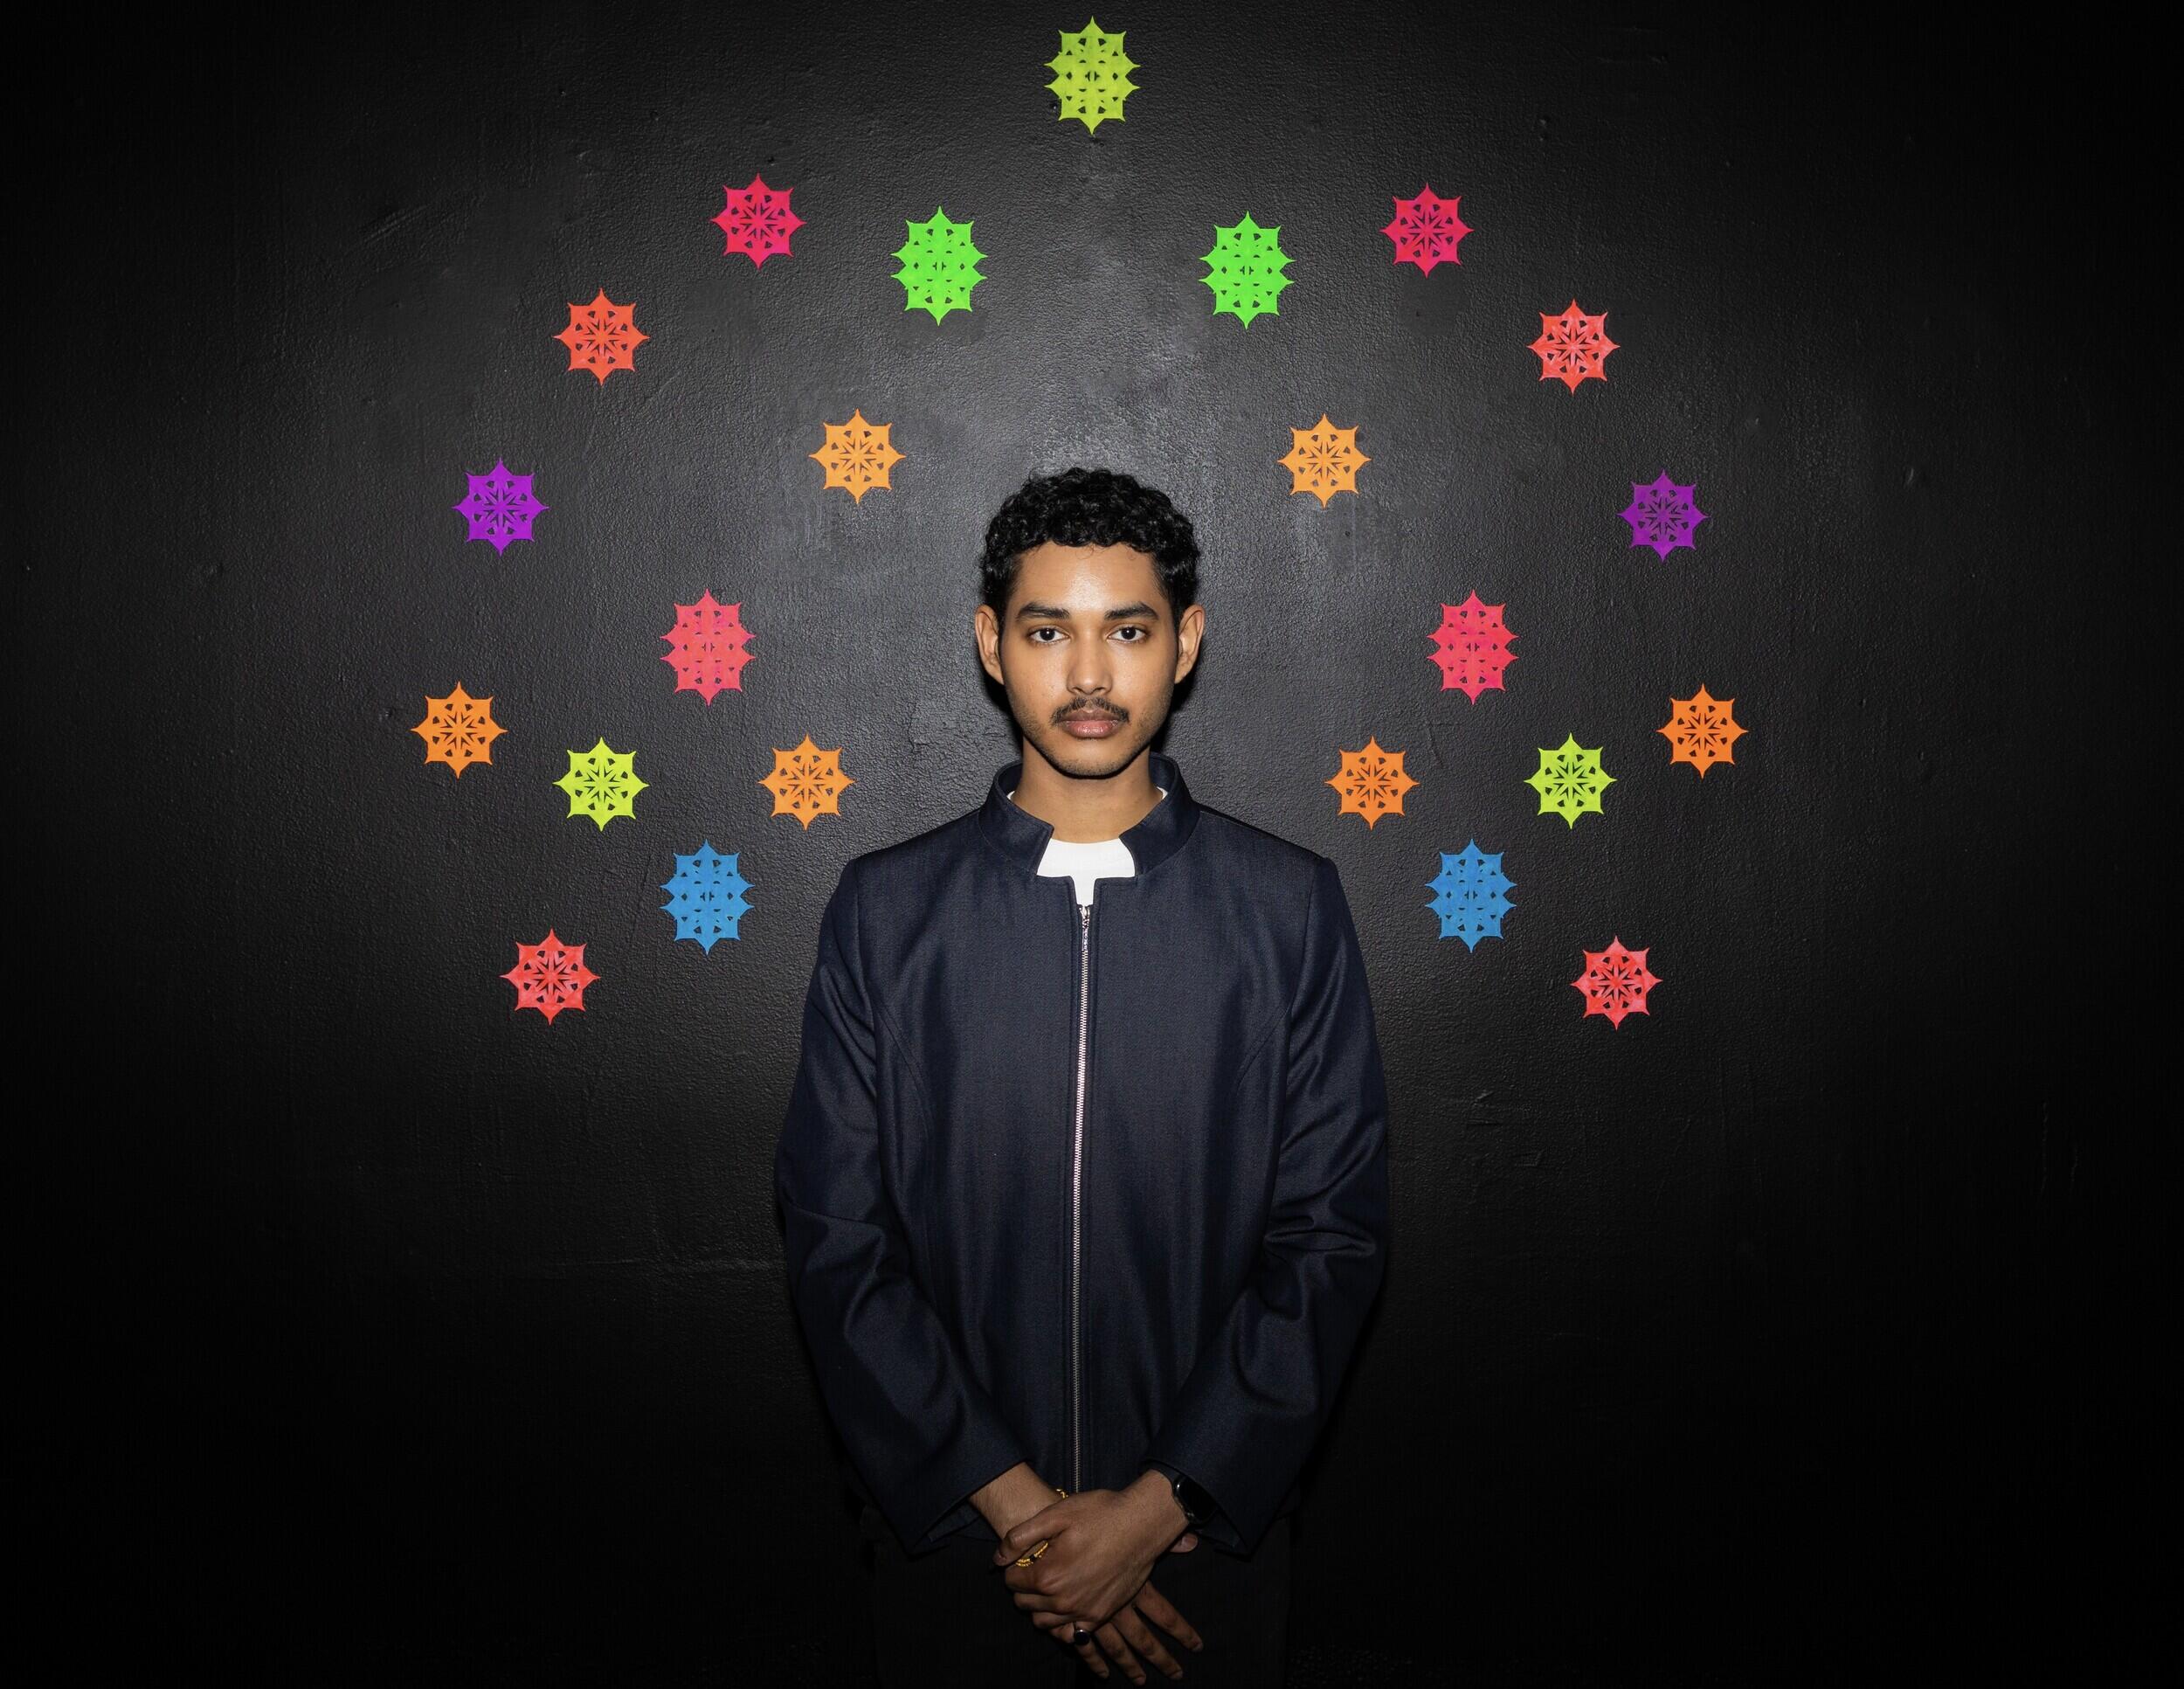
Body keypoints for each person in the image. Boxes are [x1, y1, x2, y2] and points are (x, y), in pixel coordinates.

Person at [774, 467, 1392, 1686]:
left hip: (1203, 1562)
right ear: (992, 646)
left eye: (1129, 629)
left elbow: (1333, 1239)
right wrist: (1021, 1512)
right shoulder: (886, 912)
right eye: (1050, 629)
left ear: (1187, 643)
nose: (1092, 674)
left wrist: (1152, 1512)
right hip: (957, 1551)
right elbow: (836, 1241)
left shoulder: (1288, 909)